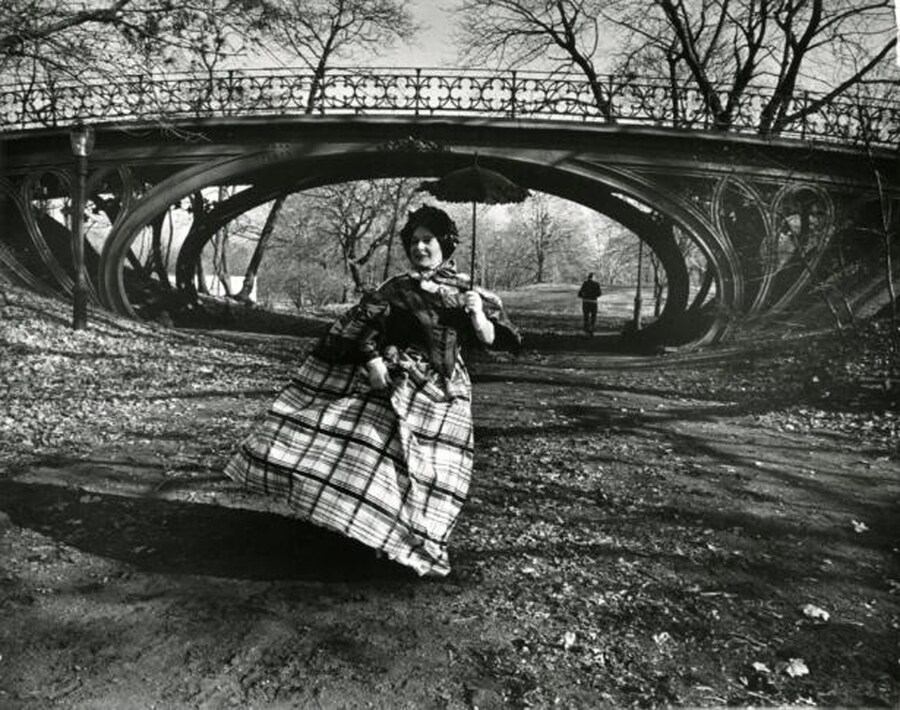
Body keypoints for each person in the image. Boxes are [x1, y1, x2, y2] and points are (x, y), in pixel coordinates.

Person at [224, 205, 520, 577]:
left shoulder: (468, 291)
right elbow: (355, 326)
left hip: (447, 393)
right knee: (380, 461)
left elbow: (491, 339)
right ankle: (376, 537)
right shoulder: (396, 288)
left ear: (445, 244)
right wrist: (372, 359)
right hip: (400, 384)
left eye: (428, 240)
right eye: (414, 241)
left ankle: (416, 541)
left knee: (436, 474)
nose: (420, 248)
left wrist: (476, 313)